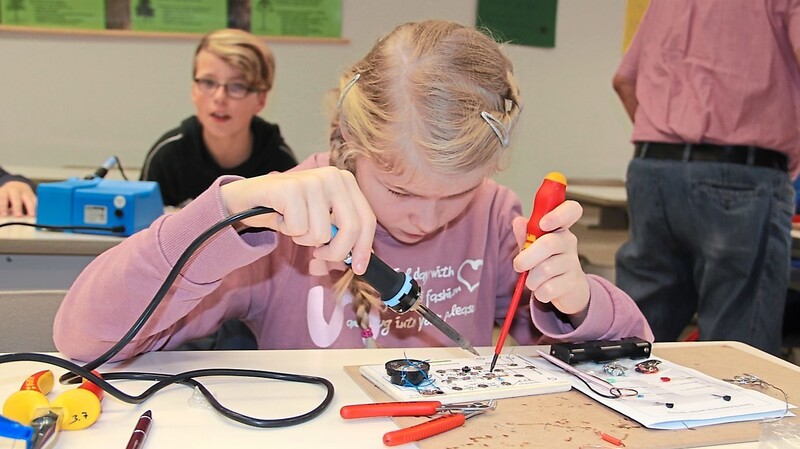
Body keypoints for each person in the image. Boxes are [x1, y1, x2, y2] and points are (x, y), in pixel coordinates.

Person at [54, 20, 653, 362]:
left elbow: (634, 356)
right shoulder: (283, 220)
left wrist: (577, 303)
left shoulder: (497, 216)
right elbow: (82, 339)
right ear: (350, 141)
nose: (425, 220)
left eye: (456, 195)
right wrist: (227, 213)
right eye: (398, 189)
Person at [612, 0, 800, 355]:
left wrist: (672, 144)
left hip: (653, 171)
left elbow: (624, 81)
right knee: (738, 354)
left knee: (633, 342)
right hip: (743, 174)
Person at [140, 28, 297, 207]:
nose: (220, 98)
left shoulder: (281, 163)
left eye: (237, 86)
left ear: (261, 99)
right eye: (208, 82)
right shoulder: (167, 156)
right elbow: (142, 230)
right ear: (194, 90)